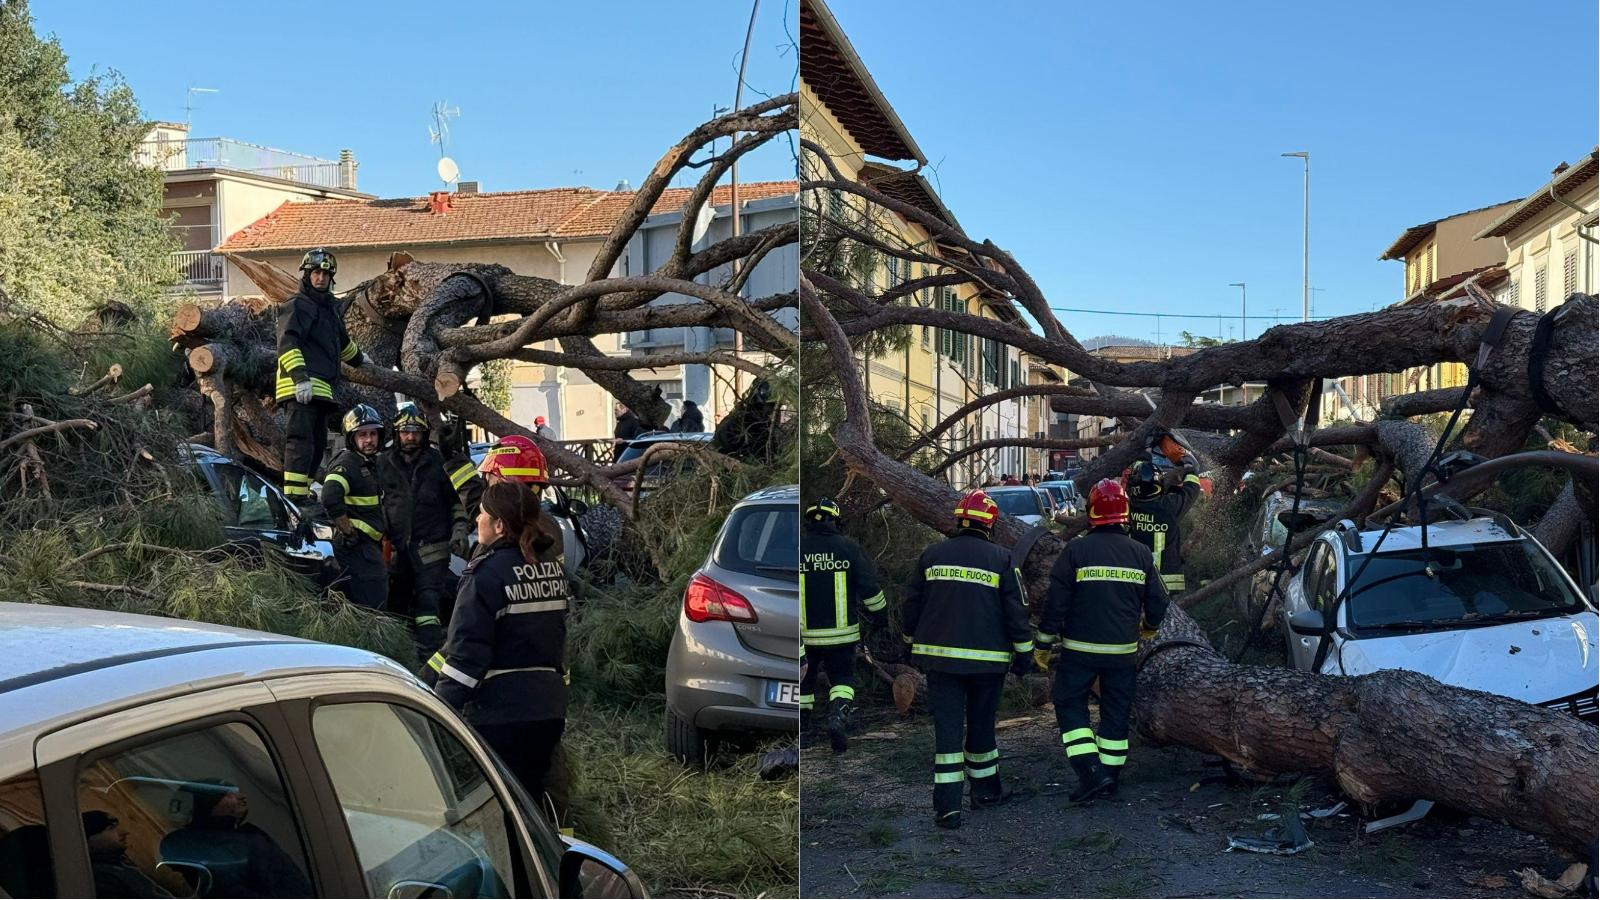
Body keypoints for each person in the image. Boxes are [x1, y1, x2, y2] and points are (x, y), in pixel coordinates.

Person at [422, 481, 571, 826]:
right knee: (536, 803)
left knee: (499, 813)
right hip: (548, 709)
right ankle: (551, 869)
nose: (477, 520)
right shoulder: (549, 567)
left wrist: (437, 712)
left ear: (500, 525)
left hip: (501, 715)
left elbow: (465, 658)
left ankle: (514, 875)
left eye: (483, 514)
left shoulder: (486, 575)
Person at [902, 490, 1033, 829]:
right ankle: (986, 793)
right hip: (987, 664)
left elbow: (911, 603)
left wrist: (907, 641)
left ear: (958, 520)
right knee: (981, 728)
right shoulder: (1003, 560)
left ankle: (947, 808)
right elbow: (1016, 612)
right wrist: (1024, 653)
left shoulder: (932, 555)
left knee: (947, 734)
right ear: (990, 524)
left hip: (940, 661)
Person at [1035, 478, 1168, 803]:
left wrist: (1042, 643)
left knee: (1069, 704)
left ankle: (1090, 772)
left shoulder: (1076, 551)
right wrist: (1149, 627)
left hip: (1079, 651)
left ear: (1092, 512)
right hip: (1122, 653)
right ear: (1124, 513)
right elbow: (1159, 601)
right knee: (1116, 712)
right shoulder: (1140, 553)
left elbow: (1056, 603)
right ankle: (1109, 777)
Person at [379, 403, 471, 656]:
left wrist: (460, 530)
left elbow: (456, 503)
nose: (410, 437)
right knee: (396, 603)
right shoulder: (382, 463)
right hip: (397, 550)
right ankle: (397, 656)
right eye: (405, 432)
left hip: (432, 548)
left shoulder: (438, 464)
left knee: (428, 602)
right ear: (396, 434)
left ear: (424, 433)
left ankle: (428, 657)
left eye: (416, 432)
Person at [276, 248, 363, 509]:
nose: (321, 278)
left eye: (325, 273)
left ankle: (302, 492)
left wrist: (361, 360)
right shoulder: (297, 305)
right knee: (300, 443)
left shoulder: (328, 311)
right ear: (307, 274)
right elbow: (287, 343)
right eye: (316, 272)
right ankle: (293, 497)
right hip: (300, 387)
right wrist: (300, 378)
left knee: (315, 444)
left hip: (322, 389)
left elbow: (342, 345)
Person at [799, 496, 886, 754]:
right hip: (842, 636)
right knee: (843, 679)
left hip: (804, 638)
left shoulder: (797, 549)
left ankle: (802, 730)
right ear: (835, 521)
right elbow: (870, 588)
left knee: (804, 683)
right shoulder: (848, 548)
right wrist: (880, 617)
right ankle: (837, 717)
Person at [160, 781, 312, 898]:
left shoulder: (245, 835)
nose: (241, 797)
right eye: (227, 794)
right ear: (207, 807)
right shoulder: (202, 848)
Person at [319, 405, 389, 610]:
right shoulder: (348, 462)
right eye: (362, 434)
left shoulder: (368, 463)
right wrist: (348, 531)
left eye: (373, 433)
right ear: (352, 437)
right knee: (374, 604)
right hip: (358, 547)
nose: (369, 440)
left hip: (368, 547)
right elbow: (331, 497)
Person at [1126, 433, 1203, 597]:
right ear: (1158, 486)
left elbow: (1138, 477)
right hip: (1167, 582)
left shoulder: (1132, 504)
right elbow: (1192, 489)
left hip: (1138, 578)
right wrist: (1190, 467)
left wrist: (1147, 449)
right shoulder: (1169, 507)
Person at [83, 811, 172, 898]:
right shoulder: (101, 877)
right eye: (111, 828)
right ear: (87, 840)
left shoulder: (119, 865)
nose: (124, 832)